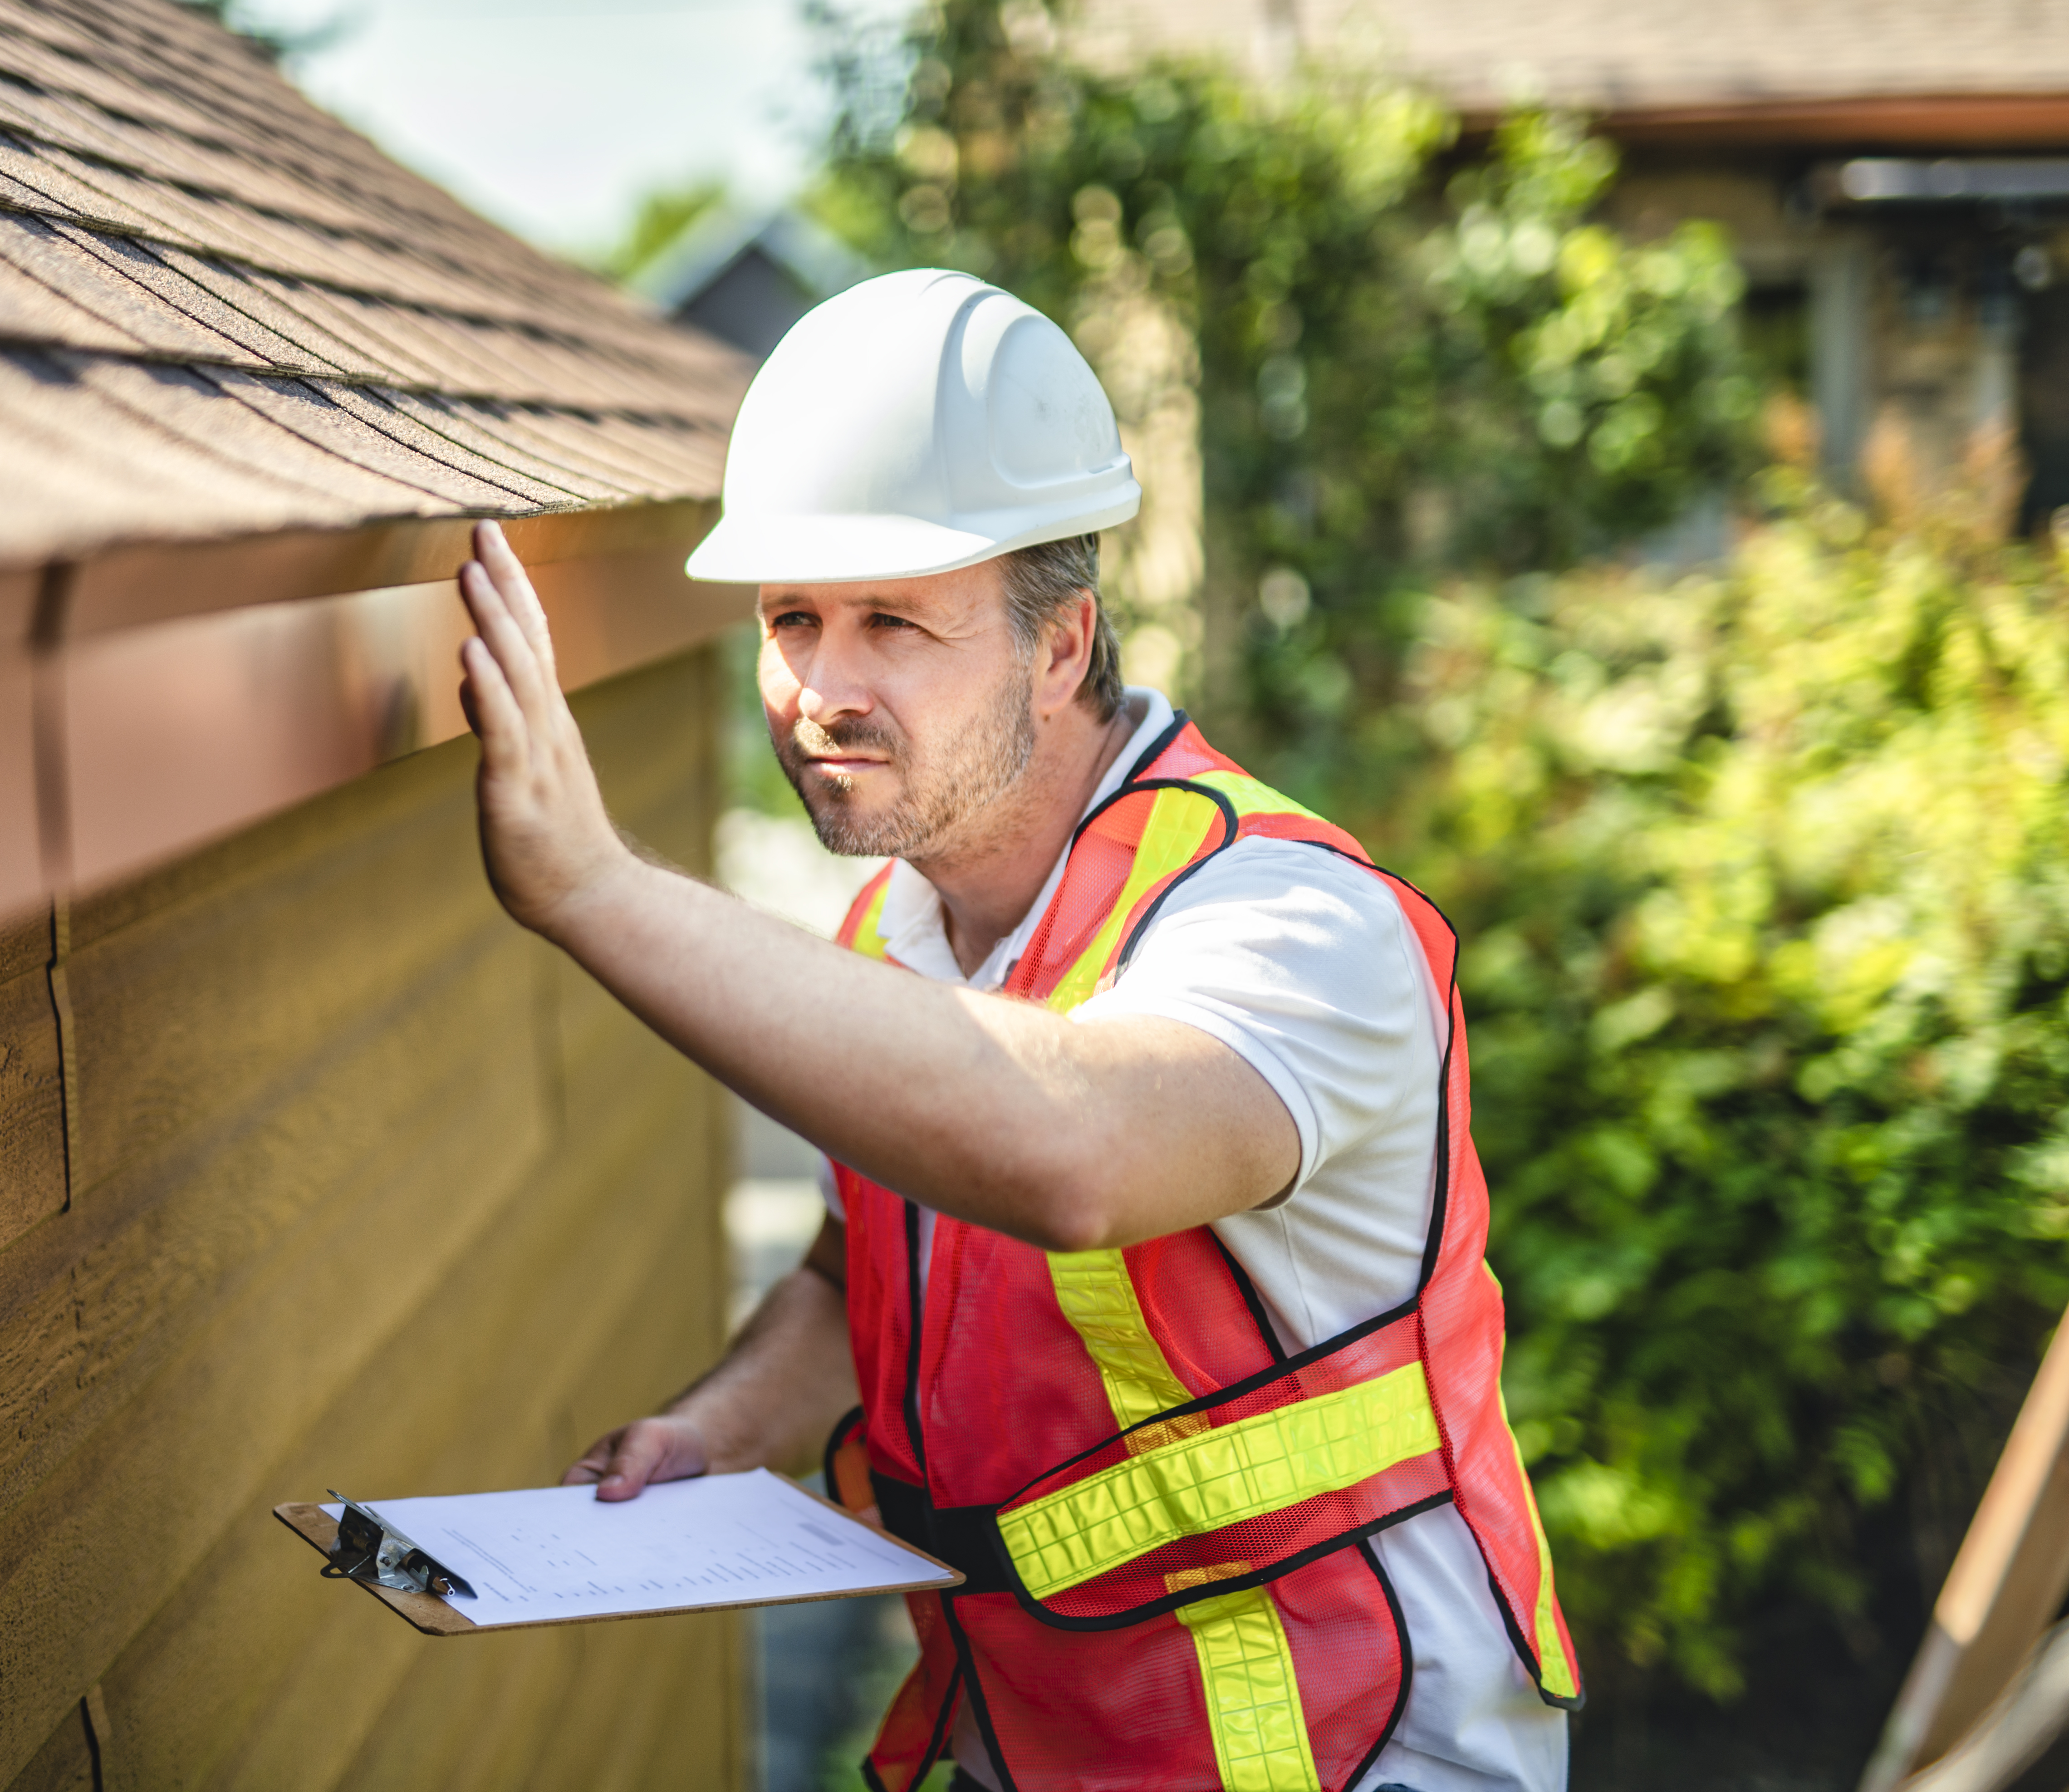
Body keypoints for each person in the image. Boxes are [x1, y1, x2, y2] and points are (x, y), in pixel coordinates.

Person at [452, 269, 1577, 1792]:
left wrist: (589, 885)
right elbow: (879, 1269)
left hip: (1344, 1744)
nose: (819, 690)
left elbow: (1073, 1153)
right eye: (792, 619)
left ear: (1061, 651)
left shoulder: (1298, 927)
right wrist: (719, 1431)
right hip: (1028, 1737)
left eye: (896, 624)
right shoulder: (892, 937)